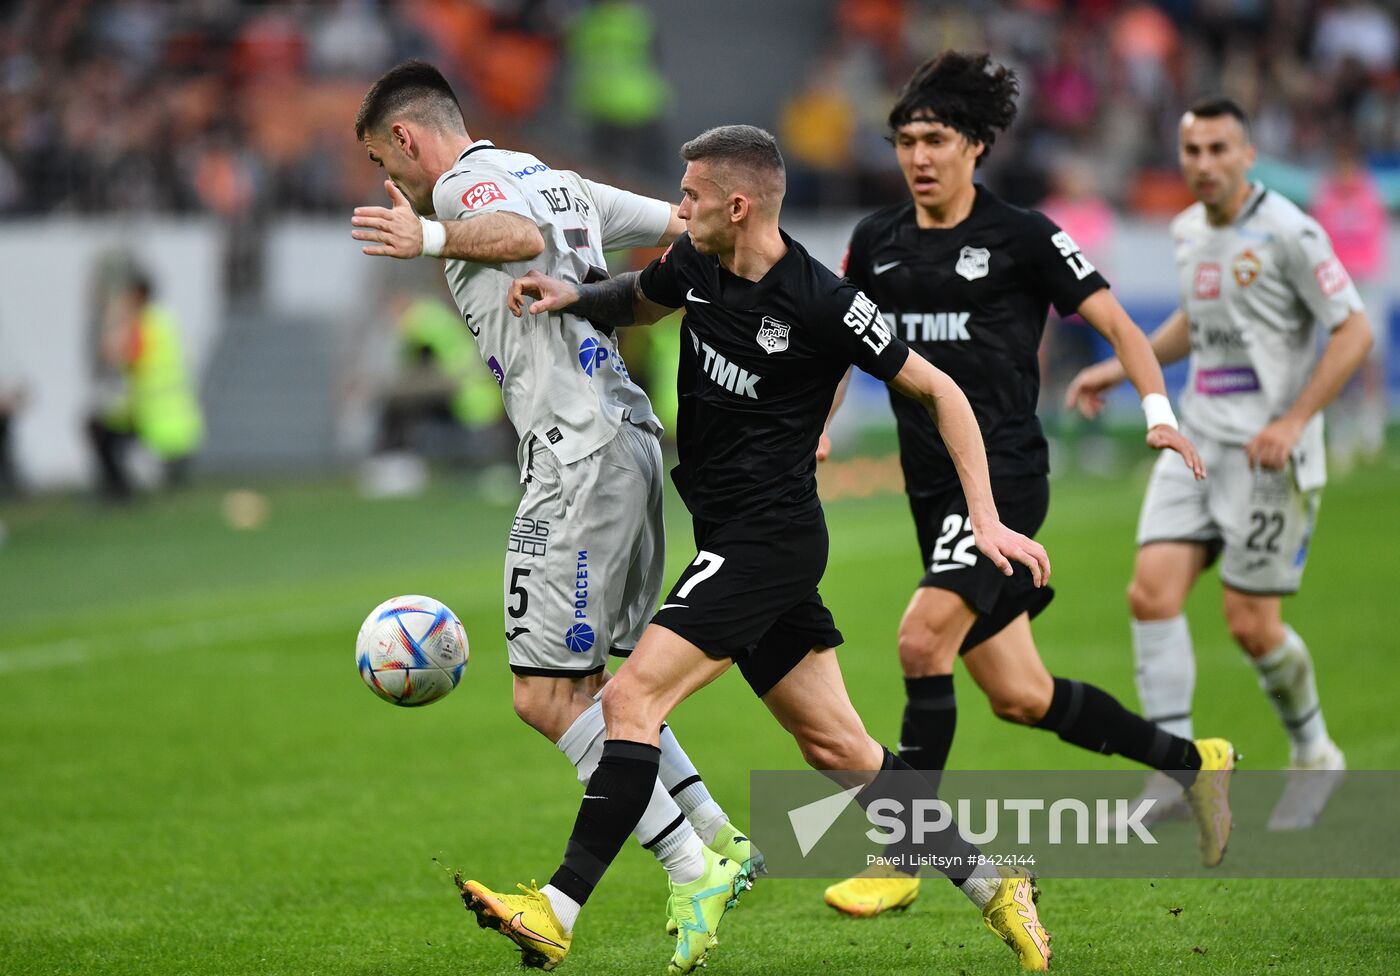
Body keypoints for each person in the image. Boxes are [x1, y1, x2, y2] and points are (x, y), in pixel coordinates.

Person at [469, 124, 1057, 973]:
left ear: (737, 205)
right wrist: (572, 300)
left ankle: (556, 908)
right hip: (737, 536)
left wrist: (989, 518)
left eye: (692, 195)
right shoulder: (699, 265)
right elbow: (641, 296)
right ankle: (996, 885)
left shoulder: (821, 300)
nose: (680, 207)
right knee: (841, 750)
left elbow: (941, 390)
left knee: (631, 703)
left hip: (767, 543)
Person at [349, 59, 755, 962]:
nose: (394, 181)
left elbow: (513, 232)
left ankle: (693, 866)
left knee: (542, 696)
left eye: (388, 159)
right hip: (628, 444)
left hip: (575, 457)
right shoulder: (560, 178)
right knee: (604, 692)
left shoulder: (465, 188)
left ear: (410, 139)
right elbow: (684, 223)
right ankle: (718, 836)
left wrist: (424, 233)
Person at [820, 52, 1237, 920]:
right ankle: (1197, 765)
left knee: (920, 643)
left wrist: (1157, 408)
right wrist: (820, 425)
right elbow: (845, 343)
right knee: (1020, 696)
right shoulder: (876, 240)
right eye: (905, 141)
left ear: (975, 146)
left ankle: (904, 851)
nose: (918, 156)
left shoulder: (1024, 236)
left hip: (1005, 485)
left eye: (935, 139)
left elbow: (1117, 322)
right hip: (933, 492)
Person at [1067, 97, 1373, 830]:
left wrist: (1295, 419)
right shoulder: (1186, 229)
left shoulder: (1290, 232)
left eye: (1217, 150)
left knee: (1251, 627)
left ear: (1247, 156)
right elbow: (1198, 321)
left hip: (1271, 457)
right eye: (1192, 150)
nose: (1202, 164)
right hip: (1198, 438)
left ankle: (1315, 751)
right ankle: (1177, 770)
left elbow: (1355, 329)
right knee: (1150, 594)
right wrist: (1125, 368)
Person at [86, 271, 204, 502]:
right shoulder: (163, 319)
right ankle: (124, 486)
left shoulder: (143, 322)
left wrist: (113, 319)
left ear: (137, 295)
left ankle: (119, 491)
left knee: (98, 429)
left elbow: (120, 356)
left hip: (152, 412)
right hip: (170, 412)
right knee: (103, 430)